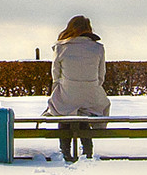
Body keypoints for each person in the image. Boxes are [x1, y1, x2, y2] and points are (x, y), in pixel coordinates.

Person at [44, 15, 109, 161]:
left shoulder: (61, 47)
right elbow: (101, 77)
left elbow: (56, 76)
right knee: (84, 109)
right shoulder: (98, 48)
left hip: (67, 95)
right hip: (91, 96)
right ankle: (87, 150)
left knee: (64, 106)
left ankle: (65, 150)